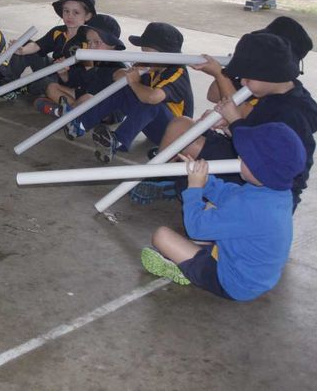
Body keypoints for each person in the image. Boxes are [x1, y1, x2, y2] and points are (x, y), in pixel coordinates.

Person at [146, 32, 317, 210]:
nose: (242, 82)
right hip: (245, 153)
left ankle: (193, 191)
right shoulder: (274, 94)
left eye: (248, 78)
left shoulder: (292, 113)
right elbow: (253, 129)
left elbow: (262, 156)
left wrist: (234, 121)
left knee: (205, 221)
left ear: (270, 75)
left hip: (264, 184)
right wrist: (228, 124)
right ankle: (161, 177)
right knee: (181, 125)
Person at [140, 122, 306, 302]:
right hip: (254, 274)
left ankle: (180, 269)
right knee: (212, 224)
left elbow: (195, 227)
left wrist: (195, 187)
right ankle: (192, 258)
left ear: (259, 169)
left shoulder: (250, 208)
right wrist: (205, 180)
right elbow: (230, 194)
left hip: (233, 282)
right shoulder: (276, 193)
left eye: (245, 156)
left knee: (162, 236)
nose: (239, 156)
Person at [64, 22, 194, 163]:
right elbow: (118, 76)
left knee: (151, 101)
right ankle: (80, 124)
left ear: (164, 53)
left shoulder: (178, 72)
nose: (144, 56)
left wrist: (134, 81)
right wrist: (132, 74)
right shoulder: (153, 68)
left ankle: (118, 141)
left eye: (147, 52)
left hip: (175, 135)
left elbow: (153, 97)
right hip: (152, 128)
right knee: (126, 90)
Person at [0, 0, 95, 101]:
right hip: (53, 68)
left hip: (69, 79)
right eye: (66, 11)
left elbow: (89, 71)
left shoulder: (88, 40)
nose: (70, 16)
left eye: (76, 12)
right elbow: (38, 45)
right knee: (27, 44)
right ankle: (8, 83)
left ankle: (27, 88)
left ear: (88, 16)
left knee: (42, 83)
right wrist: (22, 50)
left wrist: (65, 71)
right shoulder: (57, 32)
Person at [33, 14, 125, 117]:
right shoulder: (91, 58)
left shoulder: (115, 64)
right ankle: (69, 111)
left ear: (113, 44)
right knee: (51, 87)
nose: (91, 47)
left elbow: (122, 75)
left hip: (104, 108)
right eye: (89, 42)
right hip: (82, 96)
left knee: (87, 98)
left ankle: (65, 113)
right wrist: (64, 75)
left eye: (97, 42)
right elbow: (77, 82)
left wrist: (90, 68)